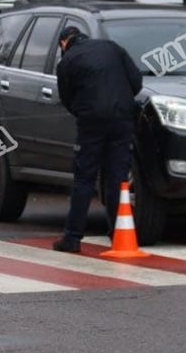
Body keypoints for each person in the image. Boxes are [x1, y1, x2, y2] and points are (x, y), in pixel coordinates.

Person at [53, 25, 143, 252]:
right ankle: (118, 233)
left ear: (64, 43)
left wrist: (86, 111)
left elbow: (67, 99)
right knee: (117, 178)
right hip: (122, 120)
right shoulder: (112, 47)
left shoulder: (67, 62)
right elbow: (136, 81)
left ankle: (72, 238)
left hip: (91, 124)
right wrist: (119, 103)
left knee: (84, 179)